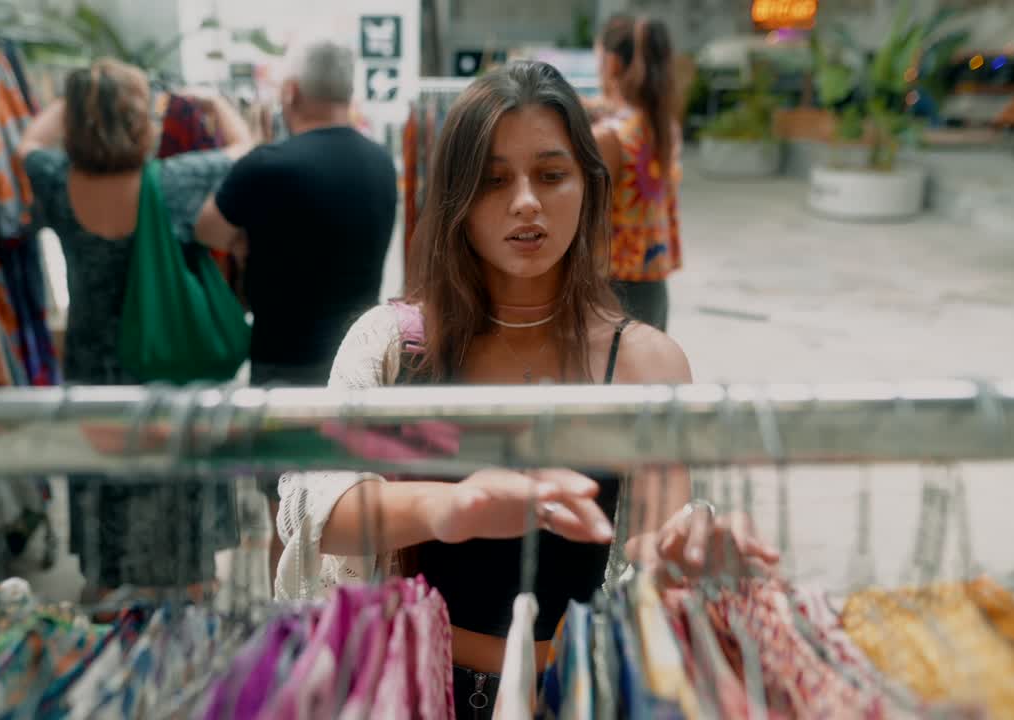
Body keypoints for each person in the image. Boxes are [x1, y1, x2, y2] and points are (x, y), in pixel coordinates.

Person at [274, 61, 776, 718]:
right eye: (494, 179)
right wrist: (449, 509)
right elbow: (319, 505)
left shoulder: (644, 362)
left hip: (570, 694)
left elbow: (652, 545)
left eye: (549, 174)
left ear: (588, 188)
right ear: (455, 196)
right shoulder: (395, 345)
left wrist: (691, 549)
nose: (526, 202)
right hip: (418, 690)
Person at [18, 58, 254, 593]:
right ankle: (194, 579)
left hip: (91, 361)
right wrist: (217, 105)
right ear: (139, 120)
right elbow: (245, 152)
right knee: (175, 465)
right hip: (163, 356)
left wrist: (82, 99)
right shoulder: (169, 184)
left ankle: (103, 579)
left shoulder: (57, 181)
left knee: (102, 472)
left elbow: (28, 142)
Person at [198, 37, 399, 388]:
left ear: (291, 92)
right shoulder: (381, 161)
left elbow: (206, 229)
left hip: (284, 363)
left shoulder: (265, 165)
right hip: (360, 359)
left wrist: (248, 237)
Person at [593, 14, 683, 331]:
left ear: (613, 63)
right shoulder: (662, 127)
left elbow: (589, 223)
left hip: (611, 290)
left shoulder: (609, 138)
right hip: (654, 286)